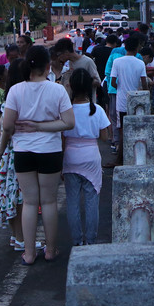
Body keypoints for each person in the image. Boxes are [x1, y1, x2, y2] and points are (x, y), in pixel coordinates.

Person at [0, 45, 75, 265]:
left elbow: (7, 126)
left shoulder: (16, 91)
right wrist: (41, 126)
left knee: (29, 202)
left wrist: (0, 150)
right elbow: (69, 123)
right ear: (48, 66)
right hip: (50, 151)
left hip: (23, 151)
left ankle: (28, 254)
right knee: (48, 202)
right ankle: (51, 250)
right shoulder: (57, 90)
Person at [62, 68, 111, 246]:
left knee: (72, 202)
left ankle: (77, 241)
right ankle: (91, 241)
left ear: (70, 86)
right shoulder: (96, 110)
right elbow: (105, 137)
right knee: (92, 202)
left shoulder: (66, 111)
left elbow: (61, 138)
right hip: (91, 156)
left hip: (70, 156)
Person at [0, 60, 26, 252]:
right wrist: (1, 150)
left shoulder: (8, 98)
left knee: (7, 195)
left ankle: (15, 236)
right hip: (14, 153)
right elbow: (8, 129)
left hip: (5, 155)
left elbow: (0, 128)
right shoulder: (19, 98)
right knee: (18, 198)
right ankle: (21, 238)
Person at [109, 35, 149, 165]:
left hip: (122, 101)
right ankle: (136, 157)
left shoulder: (117, 62)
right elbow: (144, 84)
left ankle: (120, 159)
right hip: (137, 101)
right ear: (137, 48)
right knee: (137, 129)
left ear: (125, 47)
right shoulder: (140, 63)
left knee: (122, 130)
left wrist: (121, 88)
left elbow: (113, 82)